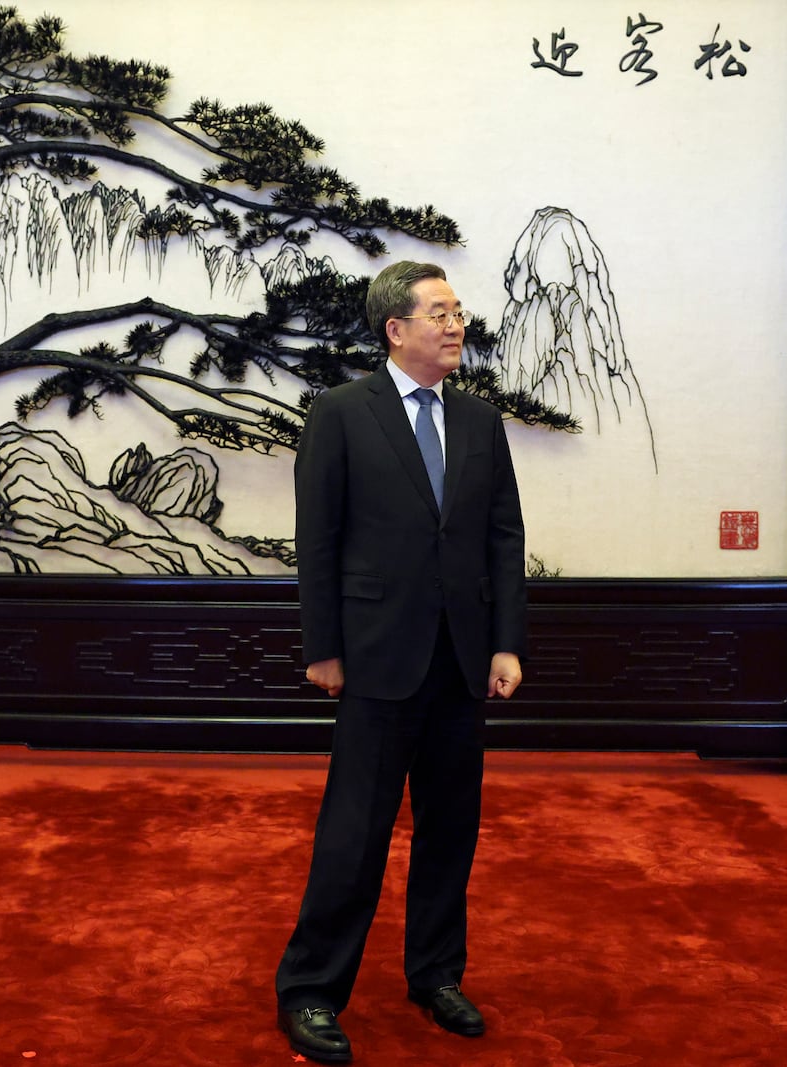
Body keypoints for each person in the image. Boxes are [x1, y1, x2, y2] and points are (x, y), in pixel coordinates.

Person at [274, 261, 527, 1063]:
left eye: (459, 312)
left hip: (461, 661)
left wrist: (506, 640)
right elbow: (316, 539)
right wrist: (322, 649)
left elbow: (502, 539)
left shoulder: (481, 422)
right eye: (440, 313)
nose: (457, 325)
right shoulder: (342, 413)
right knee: (354, 834)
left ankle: (436, 973)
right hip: (376, 659)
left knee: (451, 829)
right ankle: (311, 990)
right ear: (396, 329)